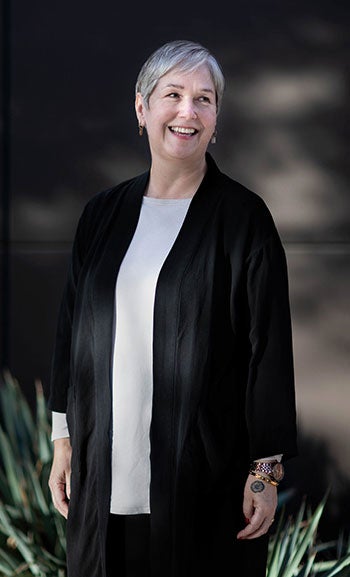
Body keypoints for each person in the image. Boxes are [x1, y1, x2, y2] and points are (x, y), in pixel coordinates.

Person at [48, 39, 298, 577]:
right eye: (174, 94)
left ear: (216, 118)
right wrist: (63, 441)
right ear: (141, 108)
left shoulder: (243, 219)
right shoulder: (102, 215)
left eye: (204, 99)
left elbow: (268, 353)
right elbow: (72, 331)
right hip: (104, 477)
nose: (189, 112)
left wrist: (264, 475)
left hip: (203, 485)